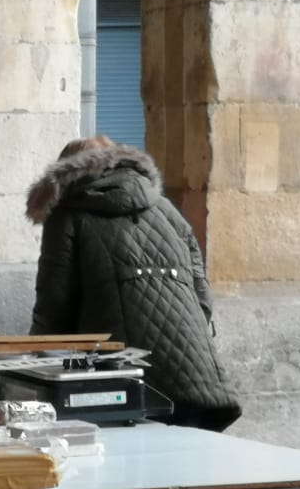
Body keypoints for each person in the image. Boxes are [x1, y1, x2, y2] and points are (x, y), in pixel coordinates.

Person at [26, 136, 240, 431]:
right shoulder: (165, 210)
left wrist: (31, 368)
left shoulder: (67, 216)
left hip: (121, 377)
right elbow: (202, 295)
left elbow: (54, 305)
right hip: (194, 371)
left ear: (65, 172)